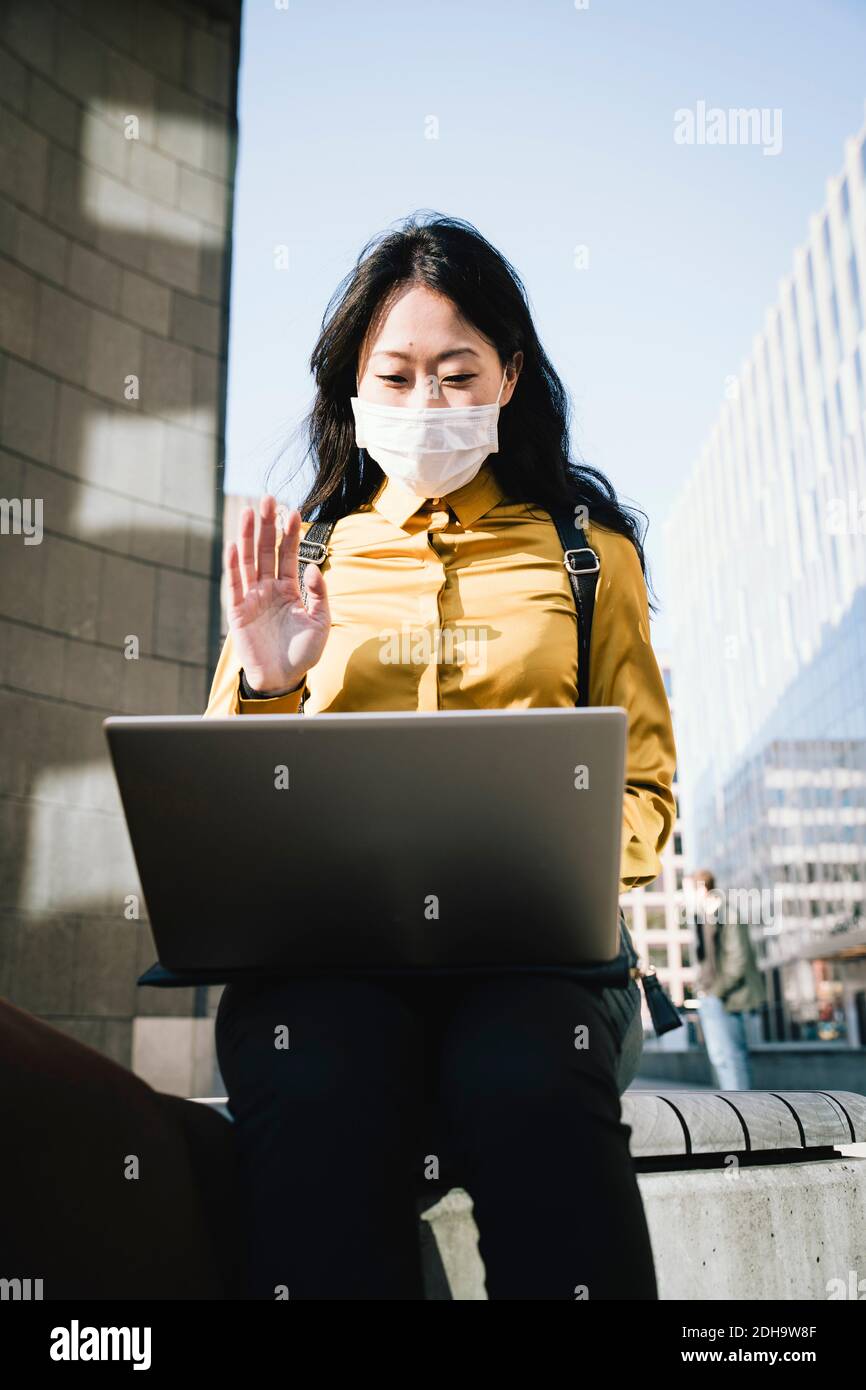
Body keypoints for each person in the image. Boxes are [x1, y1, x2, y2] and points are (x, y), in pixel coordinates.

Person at [204, 212, 677, 1300]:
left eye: (457, 373)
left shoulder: (588, 556)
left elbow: (646, 791)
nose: (427, 404)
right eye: (398, 374)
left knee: (523, 1078)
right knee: (311, 1078)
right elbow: (229, 815)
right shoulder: (303, 562)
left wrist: (553, 867)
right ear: (354, 388)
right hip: (333, 962)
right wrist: (271, 678)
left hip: (537, 962)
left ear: (508, 377)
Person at [692, 869, 766, 1090]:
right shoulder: (704, 917)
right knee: (720, 1058)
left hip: (726, 996)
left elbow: (737, 961)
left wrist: (715, 991)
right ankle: (731, 1108)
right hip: (710, 995)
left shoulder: (728, 914)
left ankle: (740, 1112)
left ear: (702, 888)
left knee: (732, 1057)